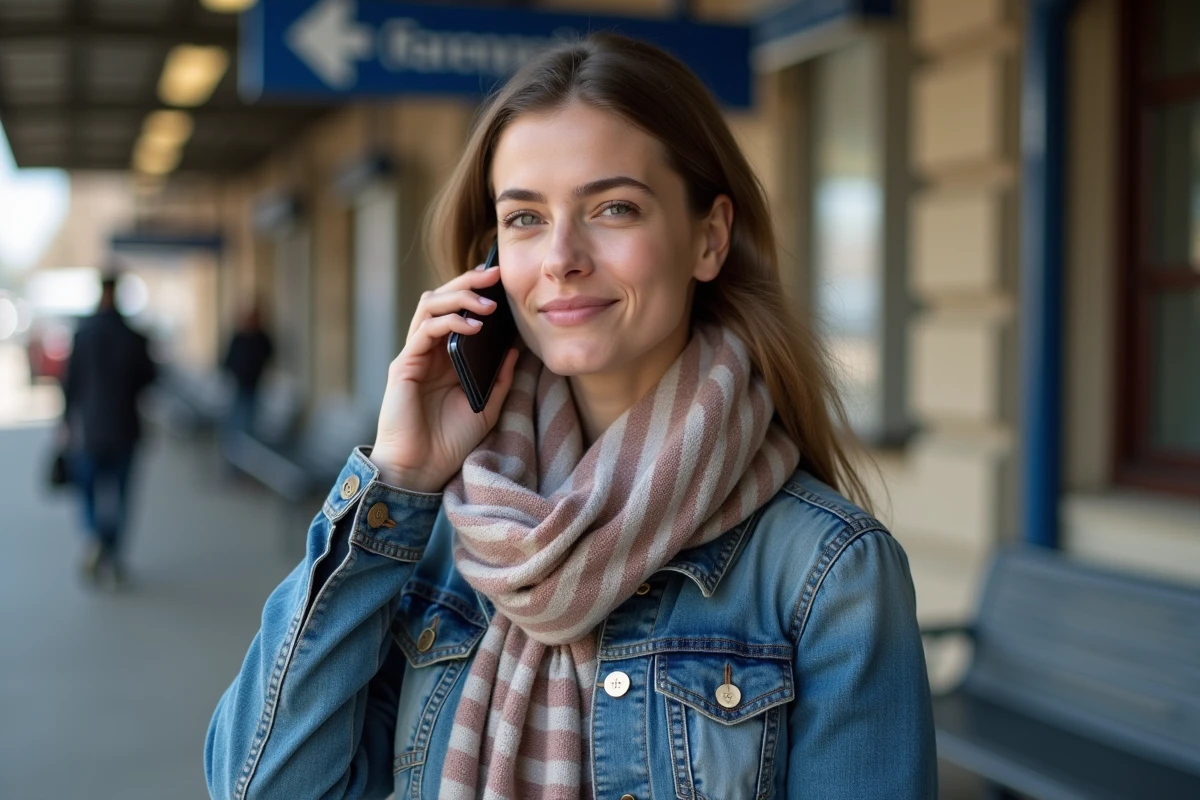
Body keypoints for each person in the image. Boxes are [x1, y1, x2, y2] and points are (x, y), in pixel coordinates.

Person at [206, 34, 936, 800]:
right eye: (524, 219)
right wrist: (399, 478)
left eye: (613, 208)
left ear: (708, 239)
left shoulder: (828, 575)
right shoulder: (442, 543)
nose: (561, 257)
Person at [61, 271, 157, 585]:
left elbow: (70, 382)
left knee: (88, 490)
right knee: (121, 495)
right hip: (126, 427)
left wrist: (66, 421)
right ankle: (112, 553)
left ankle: (93, 535)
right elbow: (150, 379)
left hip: (90, 428)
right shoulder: (133, 335)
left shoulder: (83, 334)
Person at [220, 304, 273, 444]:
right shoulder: (239, 337)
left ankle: (246, 447)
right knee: (234, 418)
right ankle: (234, 448)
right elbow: (228, 359)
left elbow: (268, 357)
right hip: (237, 384)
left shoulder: (262, 339)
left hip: (253, 385)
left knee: (248, 419)